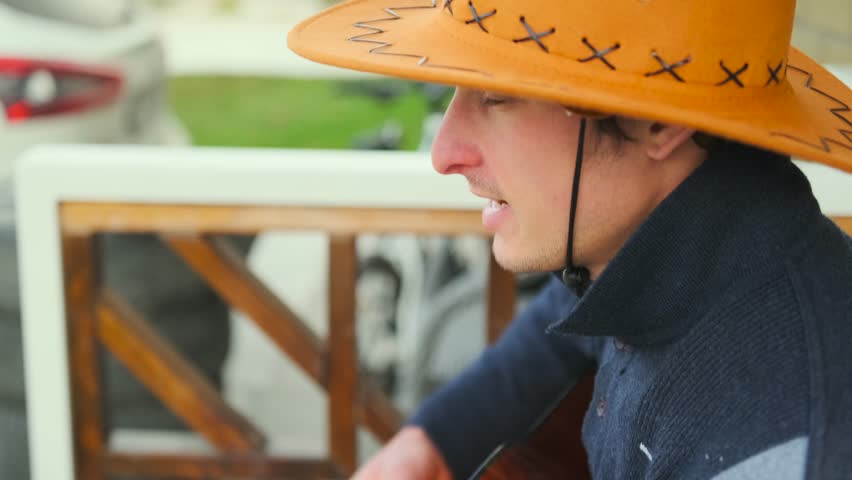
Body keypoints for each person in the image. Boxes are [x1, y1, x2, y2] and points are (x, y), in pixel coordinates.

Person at [288, 0, 852, 478]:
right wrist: (436, 439)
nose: (445, 152)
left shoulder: (781, 447)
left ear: (658, 120)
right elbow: (574, 312)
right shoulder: (668, 242)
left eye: (497, 95)